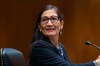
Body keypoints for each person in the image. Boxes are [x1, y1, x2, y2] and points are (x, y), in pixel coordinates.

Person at [29, 4, 100, 66]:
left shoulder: (61, 47)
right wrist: (96, 63)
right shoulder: (39, 47)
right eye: (44, 20)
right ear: (39, 27)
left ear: (61, 24)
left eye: (53, 19)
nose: (49, 24)